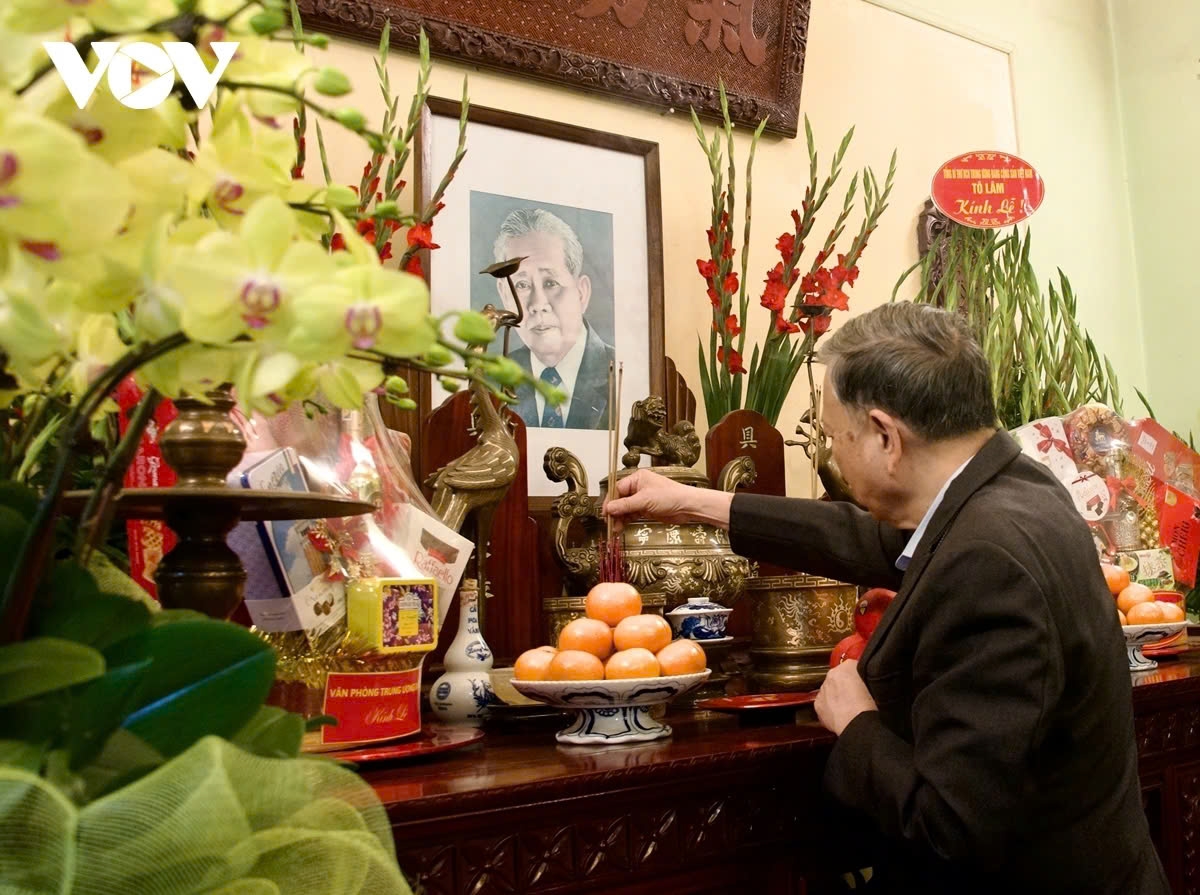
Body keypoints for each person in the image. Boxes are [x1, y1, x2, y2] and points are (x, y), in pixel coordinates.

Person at [604, 302, 1169, 894]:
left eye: (832, 436)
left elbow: (951, 825)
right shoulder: (1013, 489)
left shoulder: (987, 561)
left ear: (884, 437)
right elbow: (877, 538)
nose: (834, 451)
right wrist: (697, 503)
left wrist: (857, 723)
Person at [491, 207, 615, 429]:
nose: (538, 304)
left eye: (550, 283)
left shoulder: (622, 375)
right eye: (522, 285)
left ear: (581, 293)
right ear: (503, 294)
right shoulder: (489, 382)